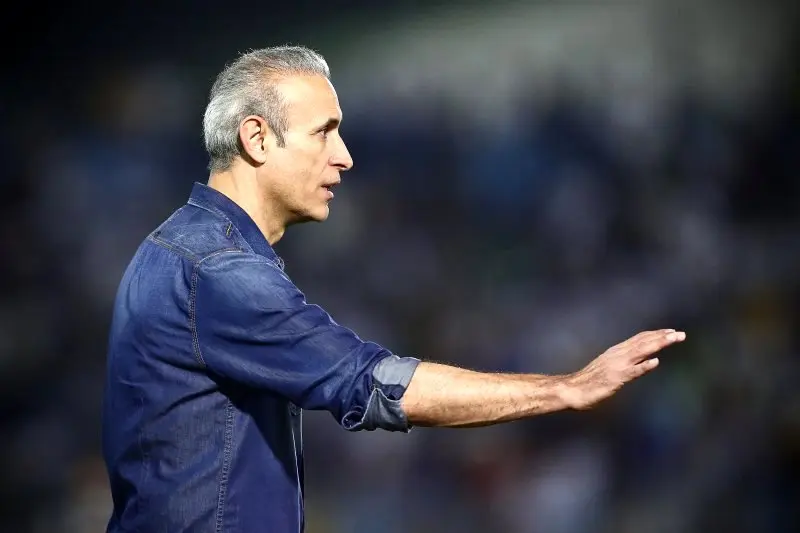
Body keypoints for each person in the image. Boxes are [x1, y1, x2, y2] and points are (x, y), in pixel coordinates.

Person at [101, 45, 686, 533]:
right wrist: (566, 389)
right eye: (323, 133)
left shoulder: (174, 251)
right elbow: (372, 384)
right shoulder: (217, 270)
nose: (345, 157)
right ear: (256, 138)